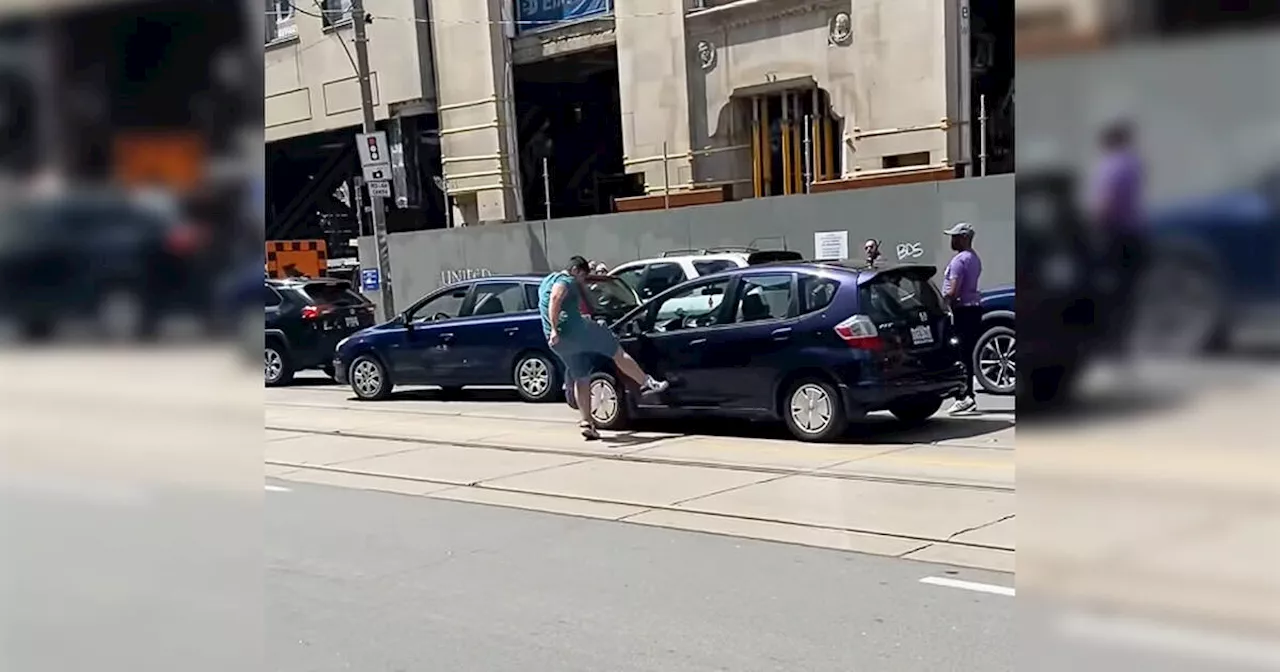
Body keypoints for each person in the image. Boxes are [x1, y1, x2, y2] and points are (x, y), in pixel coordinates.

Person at [539, 256, 669, 440]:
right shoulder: (566, 281)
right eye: (583, 276)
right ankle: (646, 382)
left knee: (581, 376)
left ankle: (587, 423)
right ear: (575, 270)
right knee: (616, 351)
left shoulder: (547, 280)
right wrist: (555, 328)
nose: (582, 281)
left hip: (558, 342)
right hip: (575, 331)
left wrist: (553, 332)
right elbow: (555, 297)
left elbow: (548, 300)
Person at [1088, 119, 1146, 351]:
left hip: (1114, 235)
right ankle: (1123, 339)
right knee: (1128, 290)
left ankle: (1111, 341)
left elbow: (1105, 203)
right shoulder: (1133, 163)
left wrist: (1091, 226)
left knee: (1109, 287)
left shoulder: (1113, 165)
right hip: (1133, 233)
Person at [942, 222, 983, 415]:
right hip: (974, 310)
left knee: (960, 355)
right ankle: (968, 397)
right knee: (967, 354)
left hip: (962, 312)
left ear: (964, 238)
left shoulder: (959, 260)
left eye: (955, 236)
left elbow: (953, 289)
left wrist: (943, 303)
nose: (952, 240)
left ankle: (965, 397)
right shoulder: (974, 258)